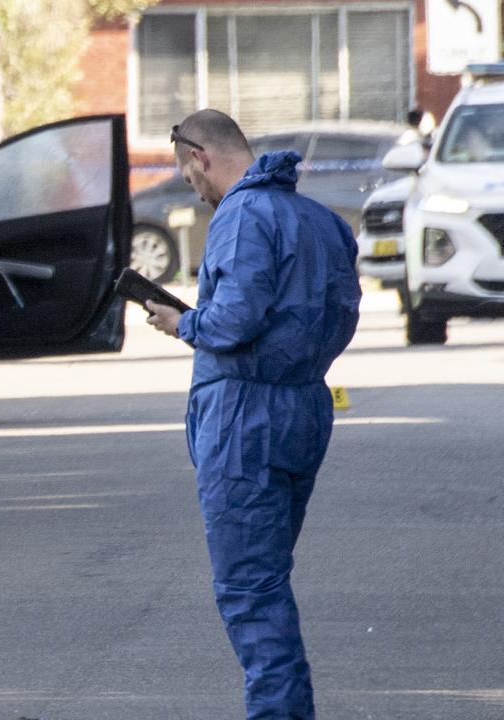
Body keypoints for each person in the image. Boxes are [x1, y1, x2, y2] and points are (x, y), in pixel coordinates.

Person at [144, 109, 360, 720]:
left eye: (189, 176)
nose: (194, 188)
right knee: (266, 578)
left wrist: (181, 321)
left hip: (247, 417)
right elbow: (344, 311)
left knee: (251, 591)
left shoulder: (241, 215)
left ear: (198, 155)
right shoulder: (320, 220)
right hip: (304, 410)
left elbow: (233, 320)